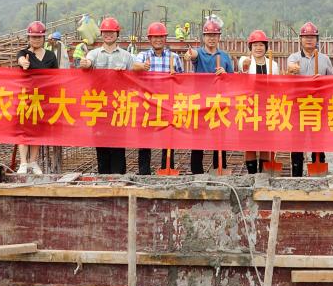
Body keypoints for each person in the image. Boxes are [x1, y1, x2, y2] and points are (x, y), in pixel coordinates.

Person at [82, 17, 146, 174]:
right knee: (101, 146)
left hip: (119, 107)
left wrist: (142, 67)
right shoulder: (94, 54)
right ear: (101, 34)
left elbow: (136, 71)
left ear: (117, 34)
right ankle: (103, 177)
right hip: (99, 107)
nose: (108, 35)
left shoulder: (126, 56)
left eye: (111, 32)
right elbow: (87, 63)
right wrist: (86, 64)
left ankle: (118, 177)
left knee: (118, 145)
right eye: (105, 32)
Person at [182, 19, 234, 174]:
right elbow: (193, 55)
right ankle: (196, 172)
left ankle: (219, 169)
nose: (211, 38)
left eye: (214, 35)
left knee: (219, 140)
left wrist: (225, 74)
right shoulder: (200, 53)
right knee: (198, 138)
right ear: (204, 37)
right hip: (200, 103)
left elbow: (232, 79)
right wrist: (189, 54)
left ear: (219, 37)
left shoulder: (224, 57)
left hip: (219, 103)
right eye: (208, 35)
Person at [286, 22, 333, 176]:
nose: (309, 39)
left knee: (318, 141)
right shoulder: (294, 58)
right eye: (306, 37)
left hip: (317, 107)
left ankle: (318, 173)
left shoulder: (324, 59)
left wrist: (323, 81)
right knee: (297, 142)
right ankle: (296, 175)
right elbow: (289, 73)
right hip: (298, 107)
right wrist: (291, 71)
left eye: (312, 37)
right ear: (301, 39)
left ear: (317, 39)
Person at [135, 22, 184, 174]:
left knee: (168, 139)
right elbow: (133, 66)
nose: (158, 40)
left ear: (165, 39)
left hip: (167, 105)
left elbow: (182, 80)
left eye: (161, 37)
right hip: (147, 104)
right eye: (155, 37)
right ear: (150, 39)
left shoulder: (174, 57)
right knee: (145, 140)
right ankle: (144, 172)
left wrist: (176, 77)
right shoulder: (143, 56)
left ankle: (166, 168)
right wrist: (141, 67)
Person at [15, 21, 58, 174]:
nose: (36, 40)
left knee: (38, 129)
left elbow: (55, 76)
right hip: (26, 97)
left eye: (39, 37)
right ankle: (23, 162)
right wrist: (24, 63)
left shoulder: (51, 56)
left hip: (42, 98)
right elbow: (20, 60)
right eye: (33, 37)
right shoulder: (23, 53)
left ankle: (33, 161)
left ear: (44, 38)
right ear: (29, 38)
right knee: (24, 128)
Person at [237, 30, 281, 173]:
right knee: (249, 143)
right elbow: (242, 67)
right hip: (249, 107)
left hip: (266, 107)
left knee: (265, 142)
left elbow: (277, 85)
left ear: (266, 47)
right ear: (250, 47)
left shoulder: (273, 64)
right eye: (255, 45)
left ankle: (263, 173)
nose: (258, 48)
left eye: (261, 45)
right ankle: (251, 173)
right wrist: (245, 65)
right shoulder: (245, 61)